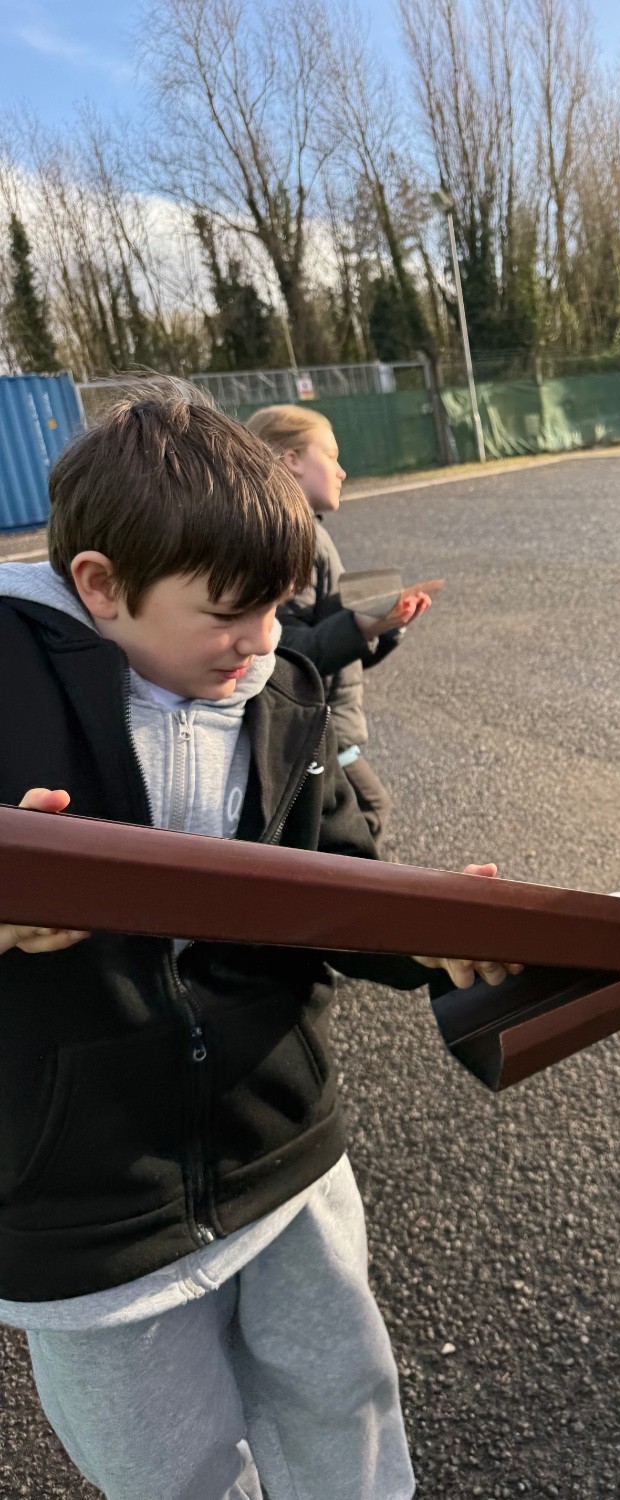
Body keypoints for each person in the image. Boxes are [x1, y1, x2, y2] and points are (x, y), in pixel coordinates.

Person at [0, 386, 514, 1500]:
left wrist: (431, 931)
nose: (262, 640)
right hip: (84, 1201)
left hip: (285, 1151)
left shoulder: (282, 692)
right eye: (230, 612)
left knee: (344, 1406)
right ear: (101, 585)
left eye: (279, 605)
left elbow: (336, 888)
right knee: (167, 1465)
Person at [245, 405, 441, 856]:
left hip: (326, 724)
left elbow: (336, 649)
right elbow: (288, 653)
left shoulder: (308, 532)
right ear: (292, 459)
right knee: (366, 813)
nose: (341, 470)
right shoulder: (292, 538)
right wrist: (358, 624)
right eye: (330, 456)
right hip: (317, 727)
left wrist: (385, 627)